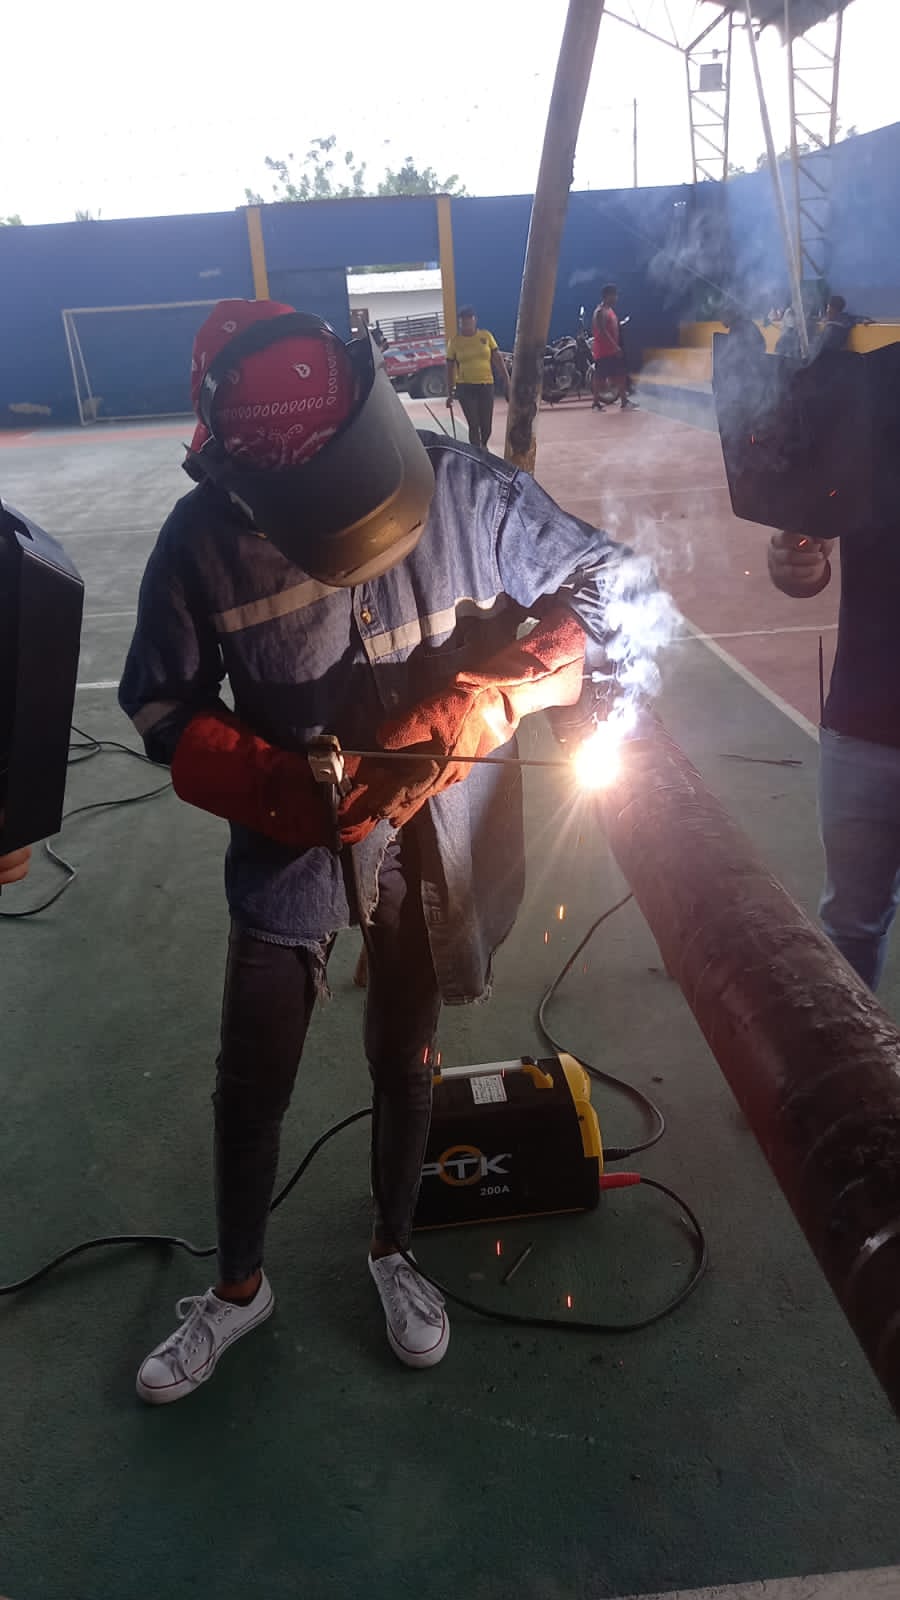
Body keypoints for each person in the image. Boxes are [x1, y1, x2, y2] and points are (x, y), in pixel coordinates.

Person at [119, 298, 643, 1404]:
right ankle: (238, 1288)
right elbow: (161, 707)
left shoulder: (462, 490)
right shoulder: (203, 538)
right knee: (251, 1075)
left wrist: (485, 702)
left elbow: (613, 585)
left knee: (406, 1056)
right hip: (290, 850)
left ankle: (394, 1250)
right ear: (231, 466)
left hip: (434, 842)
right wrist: (280, 792)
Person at [767, 527, 900, 990]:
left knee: (851, 928)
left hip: (860, 723)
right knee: (850, 929)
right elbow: (806, 540)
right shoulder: (869, 471)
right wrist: (796, 562)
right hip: (862, 720)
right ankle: (852, 1038)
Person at [445, 306, 510, 449]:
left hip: (486, 385)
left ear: (475, 321)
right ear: (460, 323)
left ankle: (484, 445)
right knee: (473, 424)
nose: (466, 325)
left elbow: (498, 359)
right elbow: (449, 368)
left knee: (486, 425)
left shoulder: (486, 336)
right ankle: (477, 452)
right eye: (463, 322)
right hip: (465, 387)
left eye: (469, 321)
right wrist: (450, 393)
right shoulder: (454, 342)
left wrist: (507, 380)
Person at [591, 285, 636, 412]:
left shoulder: (609, 310)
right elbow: (602, 331)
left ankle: (624, 402)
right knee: (600, 378)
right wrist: (615, 347)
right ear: (607, 296)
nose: (616, 298)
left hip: (610, 351)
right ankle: (596, 404)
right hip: (605, 352)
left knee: (620, 375)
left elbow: (610, 327)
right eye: (614, 295)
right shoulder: (600, 312)